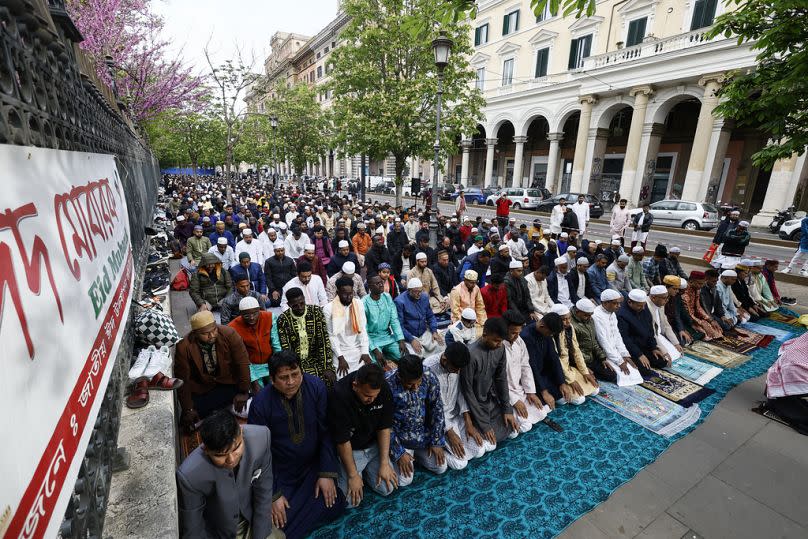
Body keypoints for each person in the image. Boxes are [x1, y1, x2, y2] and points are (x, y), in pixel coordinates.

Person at [247, 351, 345, 538]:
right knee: (280, 516)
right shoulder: (260, 403)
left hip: (312, 467)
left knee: (335, 504)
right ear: (273, 379)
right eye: (283, 377)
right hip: (280, 472)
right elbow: (258, 453)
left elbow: (326, 432)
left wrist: (326, 473)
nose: (291, 381)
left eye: (295, 374)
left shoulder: (316, 386)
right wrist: (274, 495)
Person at [176, 411, 283, 539]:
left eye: (236, 448)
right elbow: (194, 528)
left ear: (241, 432)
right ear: (206, 450)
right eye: (220, 455)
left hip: (252, 518)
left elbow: (264, 493)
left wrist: (260, 536)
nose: (231, 459)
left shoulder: (261, 438)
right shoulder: (189, 475)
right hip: (218, 532)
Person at [328, 364, 399, 507]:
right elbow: (343, 441)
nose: (371, 400)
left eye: (375, 396)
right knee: (349, 502)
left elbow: (384, 427)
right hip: (352, 450)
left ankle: (367, 472)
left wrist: (384, 463)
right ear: (355, 385)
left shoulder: (382, 387)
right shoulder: (338, 395)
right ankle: (358, 473)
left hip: (373, 448)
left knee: (388, 488)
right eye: (367, 395)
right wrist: (353, 475)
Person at [175, 311, 251, 429]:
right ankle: (221, 409)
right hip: (203, 389)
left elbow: (242, 363)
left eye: (214, 330)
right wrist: (188, 409)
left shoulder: (229, 334)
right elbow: (183, 380)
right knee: (188, 424)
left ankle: (213, 412)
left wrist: (243, 392)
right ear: (195, 333)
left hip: (229, 383)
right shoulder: (183, 346)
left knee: (248, 409)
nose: (212, 336)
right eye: (205, 333)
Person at [385, 355, 447, 486]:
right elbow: (385, 425)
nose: (415, 388)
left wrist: (436, 441)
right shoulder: (387, 386)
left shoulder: (428, 375)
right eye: (409, 384)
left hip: (423, 436)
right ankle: (407, 457)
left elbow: (437, 408)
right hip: (400, 440)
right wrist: (399, 453)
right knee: (404, 481)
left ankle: (416, 457)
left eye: (418, 382)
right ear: (400, 376)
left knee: (441, 467)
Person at [461, 318, 520, 450]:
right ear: (484, 334)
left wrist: (507, 409)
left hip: (490, 401)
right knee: (488, 444)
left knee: (512, 428)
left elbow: (501, 378)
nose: (499, 344)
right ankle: (480, 429)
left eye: (501, 341)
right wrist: (484, 425)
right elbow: (467, 391)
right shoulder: (471, 355)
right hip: (474, 406)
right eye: (496, 341)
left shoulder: (500, 348)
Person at [424, 342, 483, 469]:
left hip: (455, 416)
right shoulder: (428, 370)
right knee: (459, 464)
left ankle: (449, 448)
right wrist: (450, 432)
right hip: (437, 422)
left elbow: (461, 393)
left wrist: (468, 421)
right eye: (456, 369)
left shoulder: (457, 365)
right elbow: (431, 407)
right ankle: (437, 449)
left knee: (479, 450)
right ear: (445, 360)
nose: (458, 372)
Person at [272, 287, 335, 386]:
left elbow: (323, 341)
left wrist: (327, 367)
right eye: (295, 305)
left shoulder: (316, 312)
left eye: (302, 303)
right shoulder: (283, 320)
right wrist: (295, 368)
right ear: (289, 305)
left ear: (304, 299)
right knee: (304, 384)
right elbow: (286, 349)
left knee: (329, 380)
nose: (300, 307)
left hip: (318, 360)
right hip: (296, 363)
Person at [501, 311, 549, 432]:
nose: (516, 336)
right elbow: (496, 381)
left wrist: (530, 392)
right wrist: (514, 400)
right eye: (513, 333)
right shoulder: (498, 346)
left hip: (519, 389)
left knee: (542, 412)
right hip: (504, 394)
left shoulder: (519, 341)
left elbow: (525, 367)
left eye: (519, 332)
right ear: (504, 328)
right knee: (524, 426)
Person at [591, 289, 642, 384]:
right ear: (605, 303)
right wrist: (619, 361)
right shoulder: (596, 316)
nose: (619, 306)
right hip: (602, 353)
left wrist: (624, 354)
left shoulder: (612, 313)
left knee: (635, 368)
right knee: (614, 375)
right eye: (616, 303)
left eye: (619, 303)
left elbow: (617, 335)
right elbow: (603, 341)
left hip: (614, 350)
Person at [520, 312, 569, 410]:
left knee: (563, 399)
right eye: (550, 333)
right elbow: (531, 366)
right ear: (542, 326)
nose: (550, 335)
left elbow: (554, 358)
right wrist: (544, 391)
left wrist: (562, 382)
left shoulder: (546, 333)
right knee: (545, 408)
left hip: (544, 375)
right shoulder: (526, 336)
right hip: (531, 378)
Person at [325, 276, 371, 379]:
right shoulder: (328, 309)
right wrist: (340, 357)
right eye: (345, 294)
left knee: (364, 377)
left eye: (351, 294)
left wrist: (365, 351)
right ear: (337, 293)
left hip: (358, 348)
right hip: (340, 351)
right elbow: (331, 336)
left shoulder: (358, 304)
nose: (349, 297)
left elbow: (362, 329)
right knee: (342, 379)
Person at [617, 289, 672, 376]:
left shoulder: (643, 306)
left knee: (662, 362)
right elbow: (625, 339)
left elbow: (650, 329)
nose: (643, 308)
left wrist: (654, 347)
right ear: (630, 302)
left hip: (645, 345)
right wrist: (639, 355)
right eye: (639, 306)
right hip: (632, 349)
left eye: (644, 305)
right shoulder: (621, 314)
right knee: (645, 371)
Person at [229, 296, 273, 393]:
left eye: (255, 313)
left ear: (259, 310)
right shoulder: (233, 328)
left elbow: (277, 346)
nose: (252, 318)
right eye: (246, 315)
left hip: (271, 364)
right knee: (260, 394)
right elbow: (241, 357)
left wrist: (276, 368)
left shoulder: (269, 317)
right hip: (252, 367)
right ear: (240, 314)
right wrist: (254, 381)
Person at [363, 275, 408, 366]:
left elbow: (394, 320)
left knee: (405, 357)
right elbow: (363, 331)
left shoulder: (387, 297)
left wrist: (401, 339)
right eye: (377, 283)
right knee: (376, 364)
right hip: (372, 339)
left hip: (387, 336)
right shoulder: (363, 302)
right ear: (370, 287)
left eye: (382, 282)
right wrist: (375, 350)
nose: (381, 285)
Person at [395, 278, 445, 358]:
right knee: (415, 356)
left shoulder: (424, 297)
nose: (418, 294)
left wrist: (434, 331)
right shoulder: (400, 301)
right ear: (409, 290)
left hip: (423, 332)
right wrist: (411, 339)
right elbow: (399, 326)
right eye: (415, 291)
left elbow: (430, 316)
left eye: (420, 291)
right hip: (409, 334)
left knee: (441, 346)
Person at [569, 298, 613, 383]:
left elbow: (593, 341)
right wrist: (584, 368)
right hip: (579, 361)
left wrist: (602, 358)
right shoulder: (571, 325)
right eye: (586, 315)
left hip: (591, 357)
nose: (589, 318)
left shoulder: (590, 320)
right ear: (577, 311)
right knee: (591, 384)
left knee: (611, 375)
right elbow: (572, 351)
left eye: (590, 315)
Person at [681, 271, 724, 340]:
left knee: (717, 331)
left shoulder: (697, 290)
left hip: (695, 317)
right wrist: (701, 323)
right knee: (706, 335)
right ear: (691, 281)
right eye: (699, 283)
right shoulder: (685, 293)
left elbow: (698, 307)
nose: (701, 286)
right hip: (687, 319)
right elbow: (688, 313)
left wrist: (710, 320)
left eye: (702, 284)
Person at [647, 285, 683, 360]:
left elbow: (666, 325)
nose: (667, 300)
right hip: (652, 338)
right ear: (653, 297)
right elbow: (651, 333)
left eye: (667, 298)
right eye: (664, 298)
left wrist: (676, 343)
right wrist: (664, 351)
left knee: (678, 353)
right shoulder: (647, 308)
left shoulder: (660, 304)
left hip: (659, 335)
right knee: (665, 359)